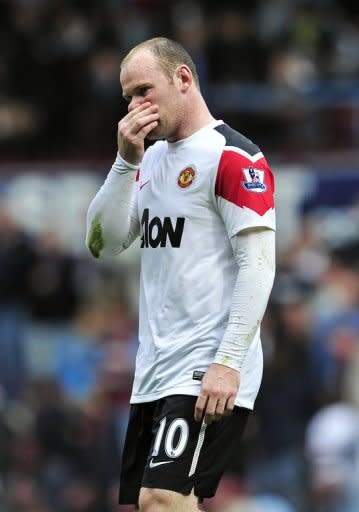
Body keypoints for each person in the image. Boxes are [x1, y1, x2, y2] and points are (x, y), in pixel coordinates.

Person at [86, 37, 276, 512]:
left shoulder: (233, 156)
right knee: (163, 504)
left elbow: (259, 264)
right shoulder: (147, 161)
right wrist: (125, 160)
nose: (133, 106)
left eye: (143, 90)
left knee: (161, 499)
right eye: (127, 96)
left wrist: (228, 361)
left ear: (184, 79)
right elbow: (102, 243)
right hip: (154, 368)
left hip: (206, 365)